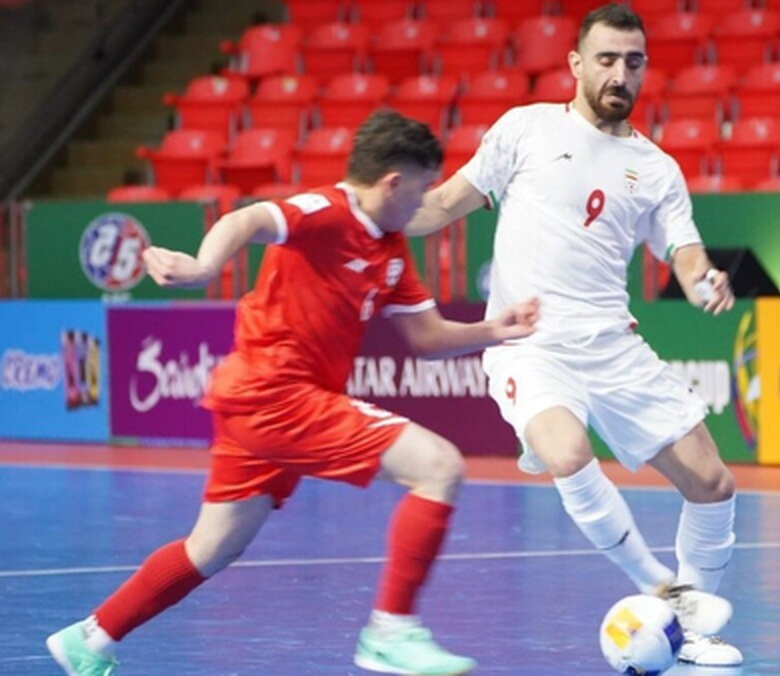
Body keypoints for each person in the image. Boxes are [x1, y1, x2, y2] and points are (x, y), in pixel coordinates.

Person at [46, 110, 539, 676]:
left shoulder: (391, 250)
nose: (426, 203)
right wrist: (204, 266)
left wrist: (495, 329)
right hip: (276, 392)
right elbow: (248, 218)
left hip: (258, 405)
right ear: (392, 183)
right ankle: (390, 631)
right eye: (423, 188)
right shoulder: (325, 211)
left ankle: (91, 638)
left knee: (211, 548)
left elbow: (427, 338)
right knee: (439, 466)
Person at [403, 3, 743, 667]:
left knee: (713, 482)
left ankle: (691, 632)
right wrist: (364, 210)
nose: (620, 73)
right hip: (531, 345)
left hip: (612, 344)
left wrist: (704, 280)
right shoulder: (525, 129)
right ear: (576, 64)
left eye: (633, 62)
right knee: (567, 451)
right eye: (607, 59)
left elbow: (685, 253)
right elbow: (441, 204)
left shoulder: (657, 168)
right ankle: (663, 589)